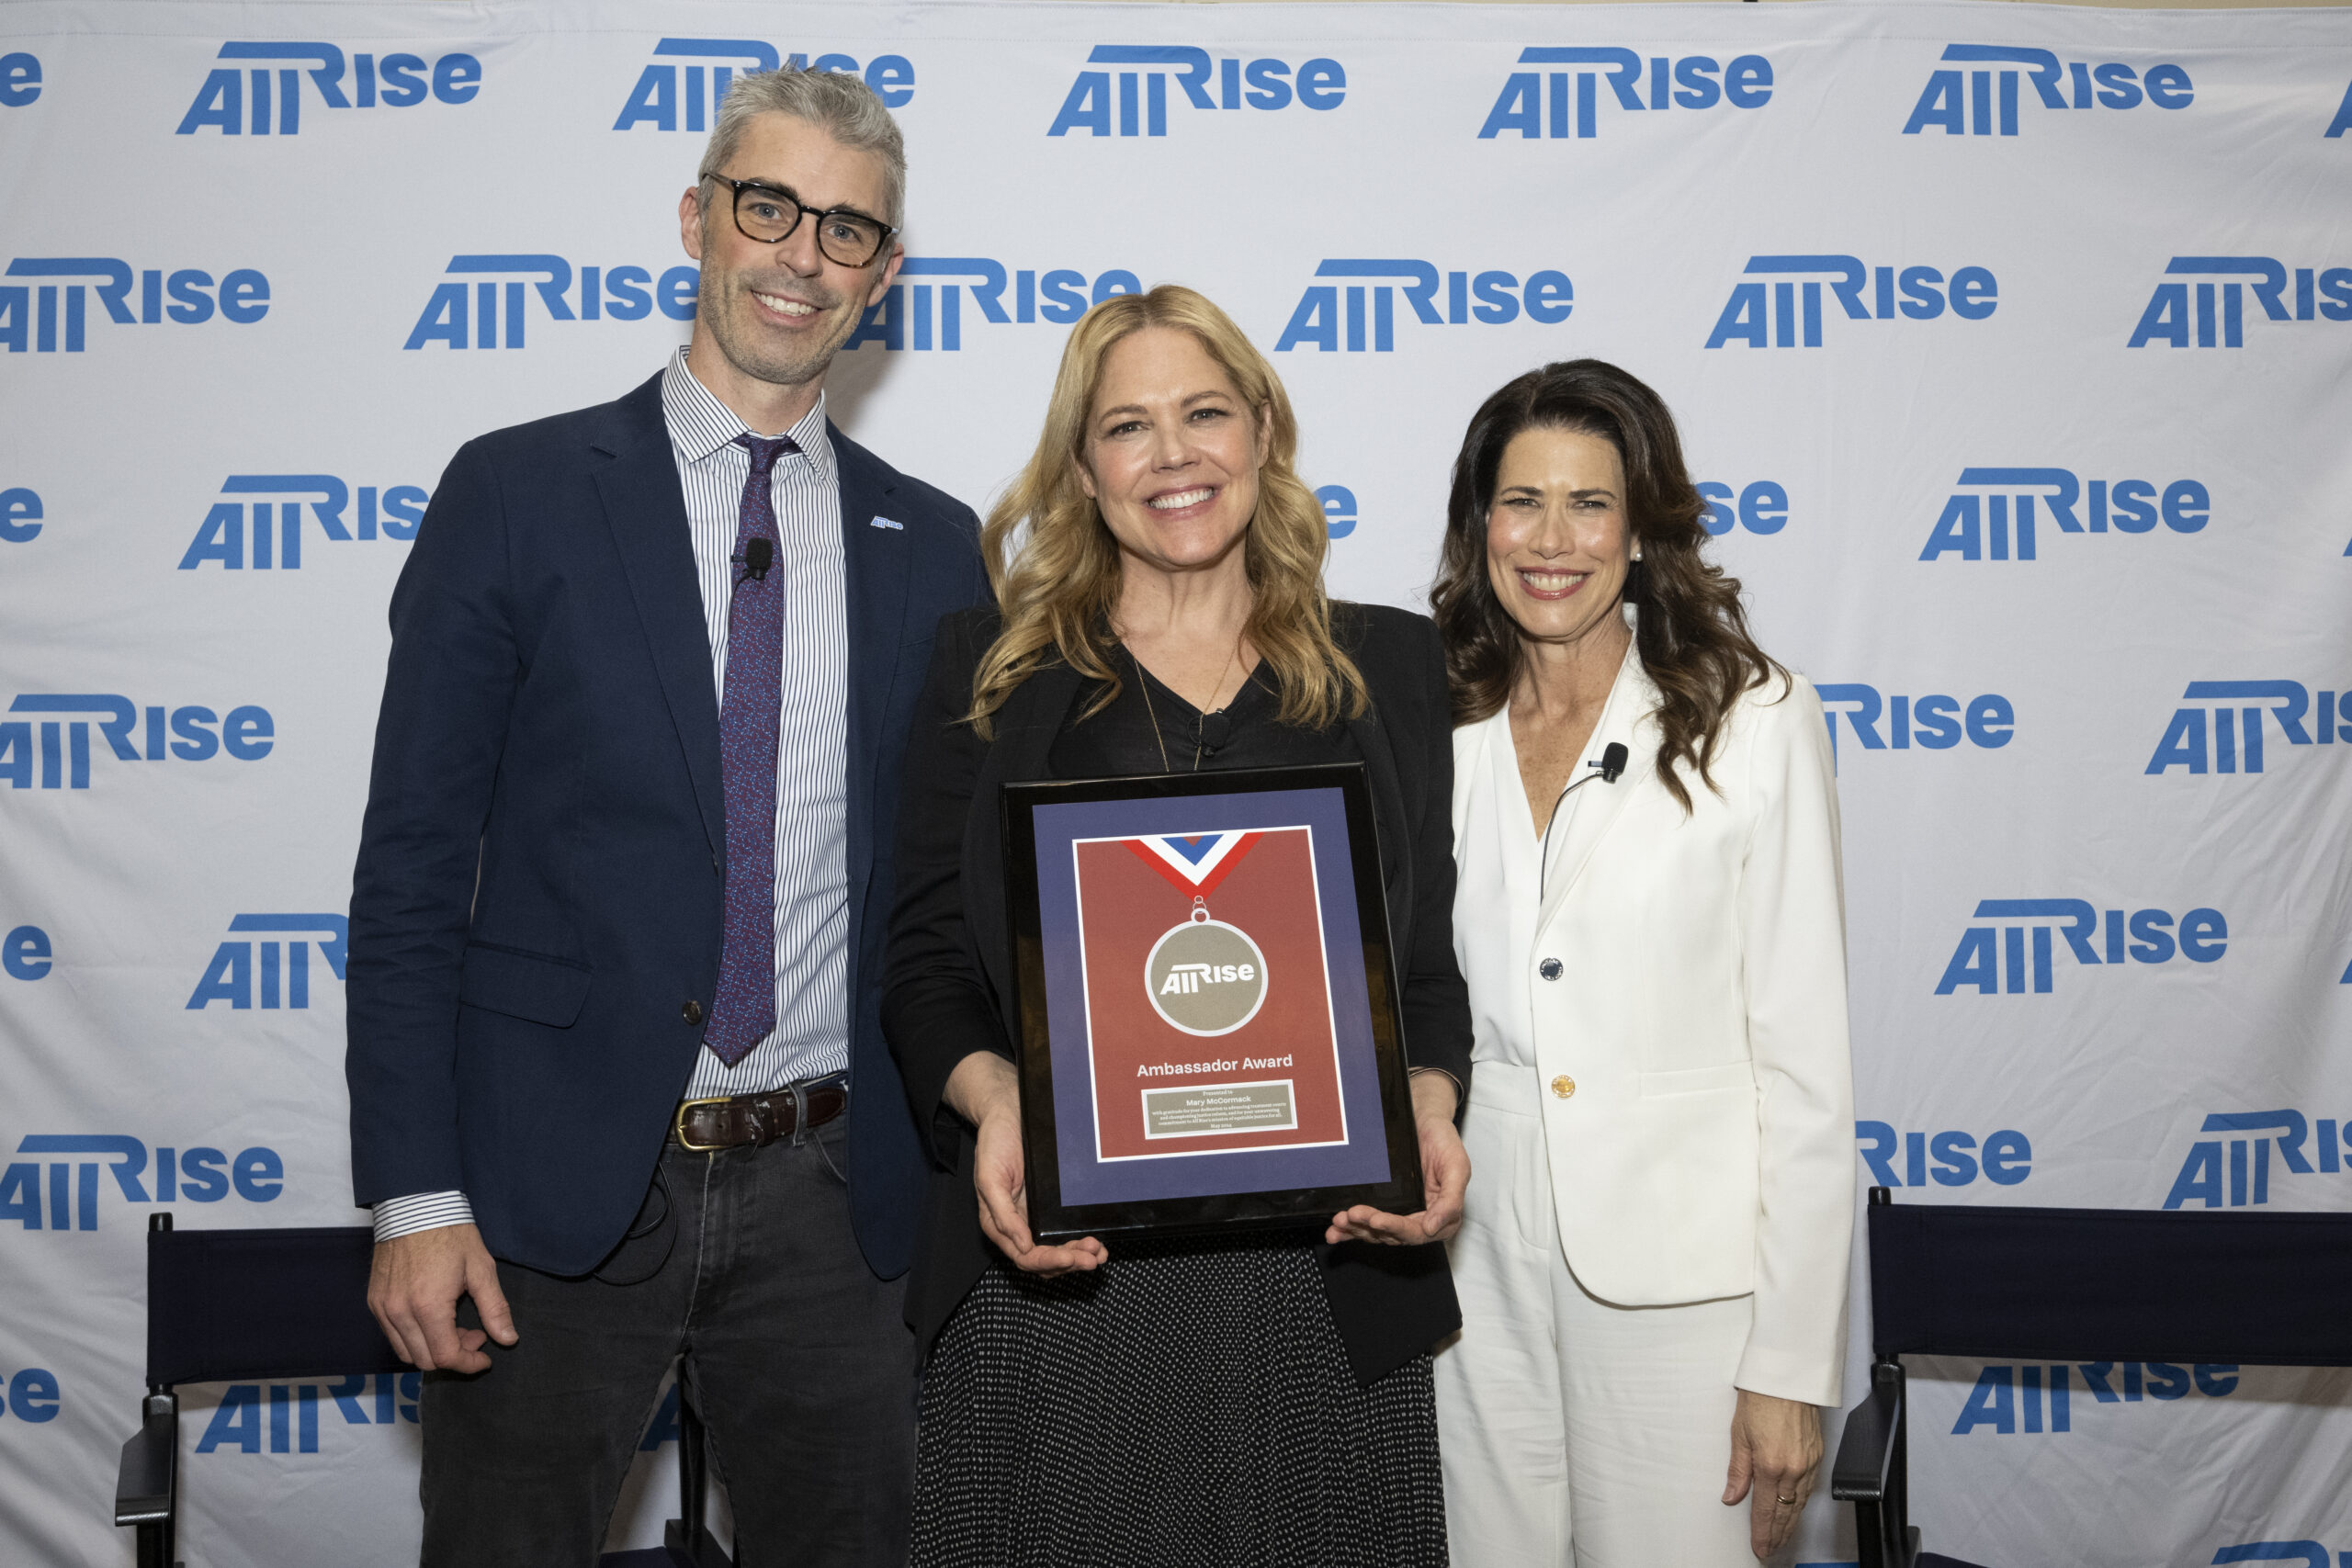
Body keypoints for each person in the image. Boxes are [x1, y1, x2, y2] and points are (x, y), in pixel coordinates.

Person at [345, 67, 988, 1566]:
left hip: (843, 1201)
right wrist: (414, 1195)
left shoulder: (938, 543)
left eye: (847, 230)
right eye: (770, 207)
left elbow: (951, 897)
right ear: (698, 218)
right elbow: (415, 872)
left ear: (883, 275)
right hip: (551, 1195)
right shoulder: (514, 494)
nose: (800, 256)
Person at [882, 284, 1473, 1566]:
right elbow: (926, 963)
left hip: (1323, 1290)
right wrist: (993, 1105)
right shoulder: (987, 674)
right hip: (1066, 1282)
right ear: (1083, 472)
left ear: (1264, 431)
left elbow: (1422, 973)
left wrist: (1426, 1101)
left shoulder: (1391, 671)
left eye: (1205, 412)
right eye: (1127, 427)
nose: (1174, 455)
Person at [1428, 360, 1855, 1565]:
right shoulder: (1435, 720)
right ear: (1479, 523)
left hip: (1687, 1295)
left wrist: (1789, 1367)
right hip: (1470, 1279)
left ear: (1644, 527)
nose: (1551, 539)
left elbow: (1807, 1072)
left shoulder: (1753, 718)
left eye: (1589, 503)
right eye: (1520, 502)